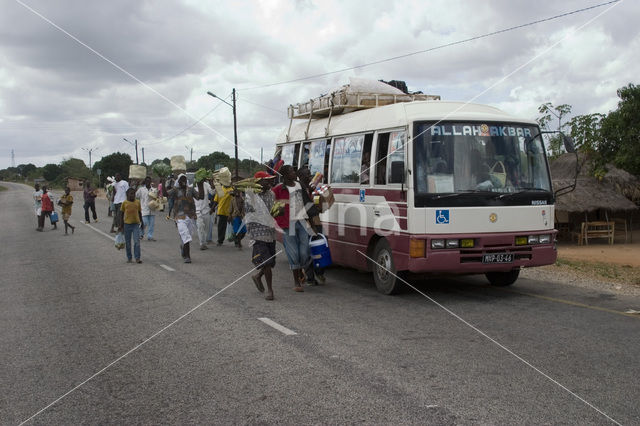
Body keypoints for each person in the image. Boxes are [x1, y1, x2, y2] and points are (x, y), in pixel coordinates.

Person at [272, 165, 312, 292]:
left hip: (301, 221)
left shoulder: (299, 185)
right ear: (284, 175)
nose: (294, 173)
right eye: (291, 171)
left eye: (293, 171)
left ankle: (300, 271)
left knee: (305, 251)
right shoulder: (278, 189)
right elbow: (271, 206)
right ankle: (297, 281)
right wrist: (278, 211)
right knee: (293, 252)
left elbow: (307, 200)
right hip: (287, 224)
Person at [246, 171, 277, 301]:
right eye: (266, 180)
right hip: (257, 232)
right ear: (258, 183)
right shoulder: (251, 196)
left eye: (270, 180)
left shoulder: (271, 194)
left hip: (270, 231)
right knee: (267, 262)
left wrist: (277, 212)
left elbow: (273, 212)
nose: (269, 183)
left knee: (271, 262)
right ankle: (270, 290)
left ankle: (258, 276)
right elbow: (250, 214)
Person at [164, 173, 203, 263]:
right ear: (178, 181)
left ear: (186, 181)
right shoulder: (175, 190)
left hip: (190, 216)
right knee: (186, 235)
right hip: (180, 217)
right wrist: (162, 179)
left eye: (184, 180)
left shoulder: (191, 190)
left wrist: (200, 184)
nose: (183, 182)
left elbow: (200, 197)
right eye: (181, 180)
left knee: (187, 236)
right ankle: (187, 257)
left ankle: (183, 247)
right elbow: (165, 194)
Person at [297, 167, 326, 285]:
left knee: (316, 247)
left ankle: (314, 274)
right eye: (307, 174)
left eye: (310, 174)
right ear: (300, 176)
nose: (310, 176)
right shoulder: (300, 188)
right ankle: (310, 275)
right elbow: (307, 208)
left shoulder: (306, 188)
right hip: (309, 222)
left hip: (314, 221)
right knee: (311, 248)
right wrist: (313, 226)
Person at [119, 187, 143, 263]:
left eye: (134, 194)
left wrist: (142, 222)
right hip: (127, 225)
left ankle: (137, 258)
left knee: (137, 242)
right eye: (131, 194)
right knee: (128, 242)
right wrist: (121, 225)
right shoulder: (124, 203)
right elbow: (121, 214)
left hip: (136, 224)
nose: (133, 195)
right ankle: (129, 257)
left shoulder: (137, 202)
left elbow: (139, 213)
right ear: (127, 195)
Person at [194, 178, 214, 250]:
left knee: (206, 228)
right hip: (197, 211)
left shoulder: (206, 185)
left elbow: (212, 192)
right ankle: (202, 243)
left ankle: (204, 242)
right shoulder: (192, 186)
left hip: (206, 210)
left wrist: (212, 181)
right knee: (200, 227)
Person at [136, 176, 157, 241]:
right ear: (145, 182)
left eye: (149, 181)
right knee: (144, 223)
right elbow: (136, 196)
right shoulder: (141, 189)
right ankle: (140, 234)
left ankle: (150, 236)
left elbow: (157, 198)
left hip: (152, 209)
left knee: (151, 224)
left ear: (151, 182)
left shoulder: (154, 189)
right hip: (144, 209)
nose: (148, 182)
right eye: (147, 181)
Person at [214, 180, 233, 246]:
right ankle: (220, 240)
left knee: (234, 226)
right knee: (221, 227)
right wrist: (212, 208)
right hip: (222, 211)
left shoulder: (232, 190)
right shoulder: (220, 189)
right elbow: (216, 200)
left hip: (231, 211)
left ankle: (237, 241)